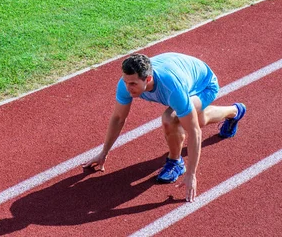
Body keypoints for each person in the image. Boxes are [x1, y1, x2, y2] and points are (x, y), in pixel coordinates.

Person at [82, 52, 246, 202]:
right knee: (193, 117)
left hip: (203, 85)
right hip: (183, 77)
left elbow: (194, 131)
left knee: (172, 119)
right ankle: (235, 111)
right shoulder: (126, 83)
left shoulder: (172, 88)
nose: (127, 87)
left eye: (132, 83)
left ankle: (175, 162)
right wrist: (104, 152)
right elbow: (118, 118)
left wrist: (191, 173)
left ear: (147, 79)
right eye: (125, 82)